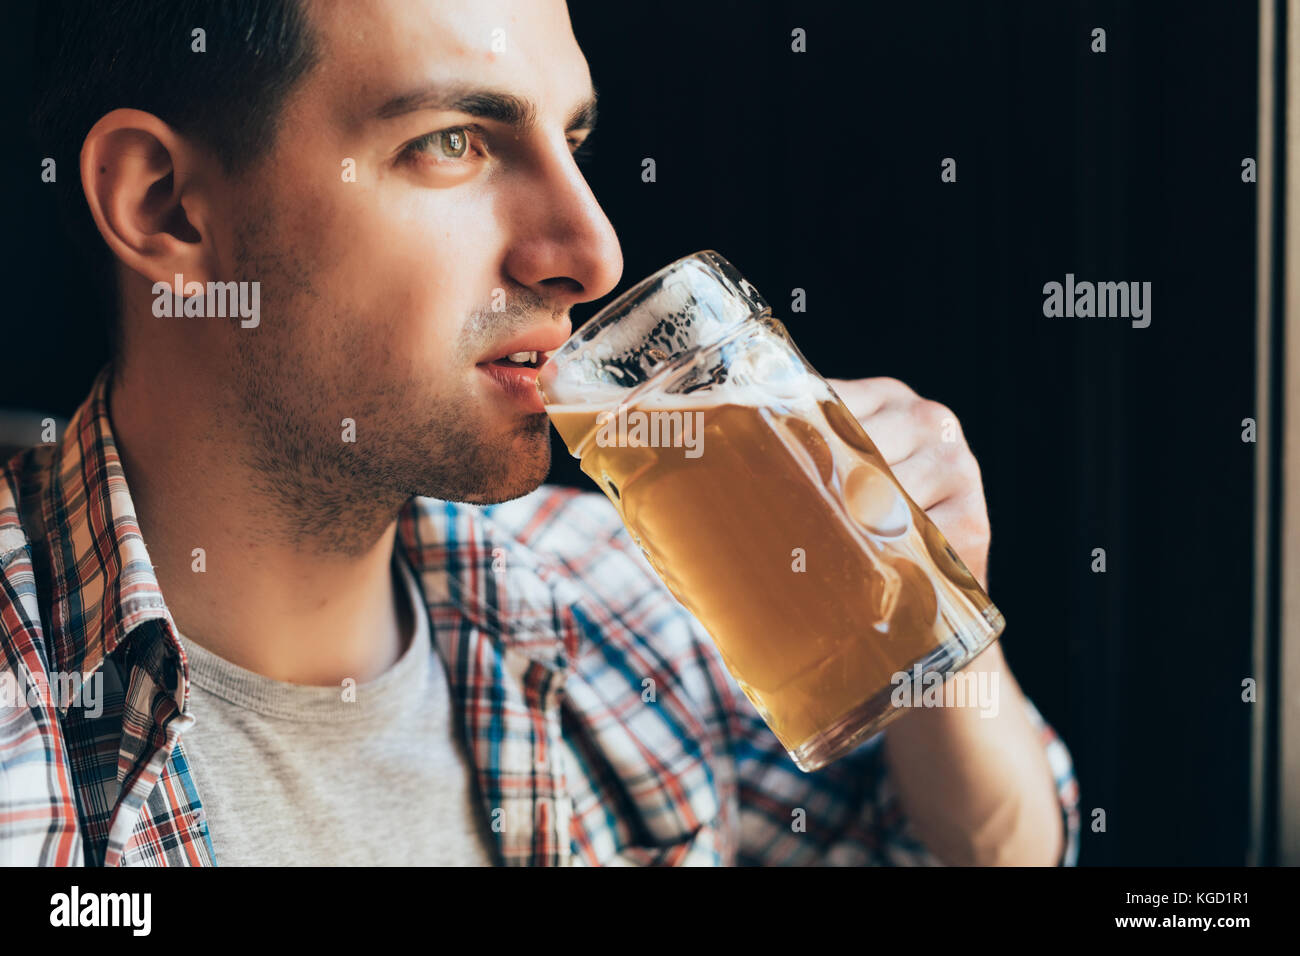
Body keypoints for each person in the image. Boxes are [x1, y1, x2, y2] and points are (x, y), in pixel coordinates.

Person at [1, 0, 1079, 866]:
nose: (590, 250)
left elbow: (972, 844)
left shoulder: (623, 589)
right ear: (164, 207)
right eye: (453, 142)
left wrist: (931, 634)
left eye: (572, 139)